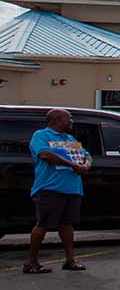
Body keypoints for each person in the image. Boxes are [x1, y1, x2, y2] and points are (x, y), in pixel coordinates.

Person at [23, 108, 91, 274]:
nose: (72, 122)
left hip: (72, 188)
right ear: (57, 120)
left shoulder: (69, 138)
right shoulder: (42, 136)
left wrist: (85, 165)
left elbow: (86, 155)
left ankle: (70, 260)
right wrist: (73, 165)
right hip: (50, 187)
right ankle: (31, 262)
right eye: (69, 119)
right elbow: (45, 154)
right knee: (44, 223)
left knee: (67, 224)